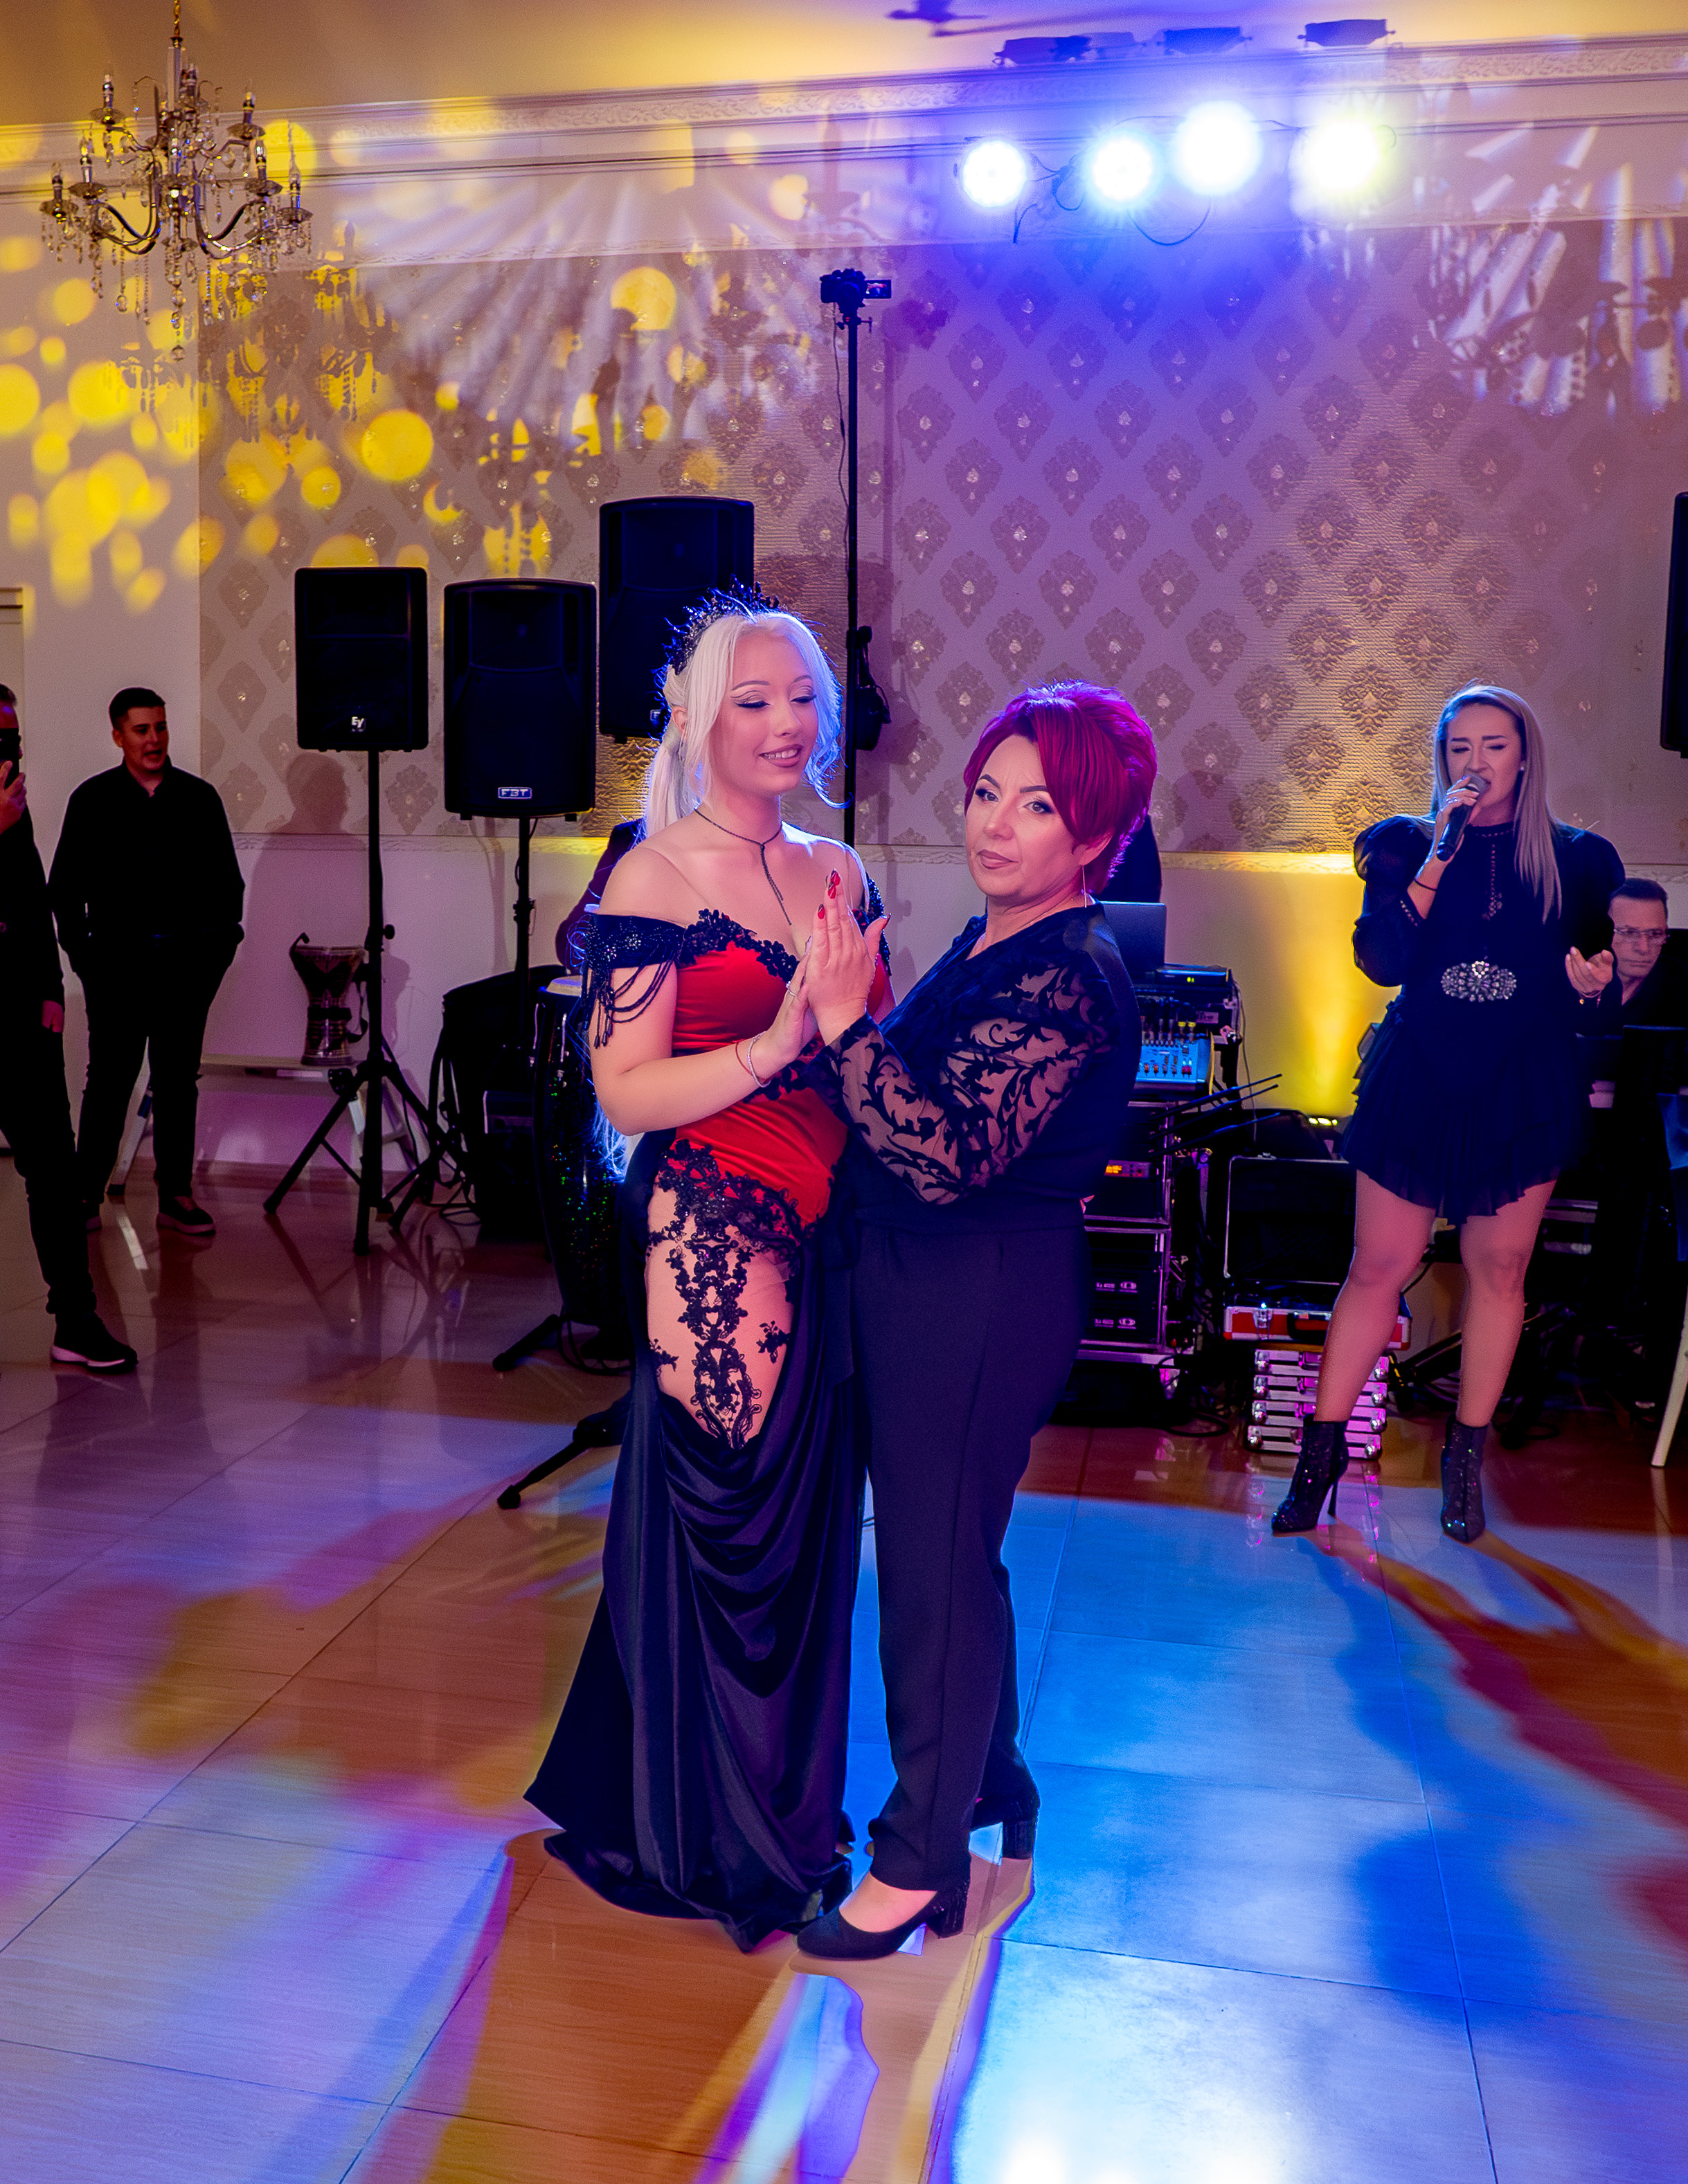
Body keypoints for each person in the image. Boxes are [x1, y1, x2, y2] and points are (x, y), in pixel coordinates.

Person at [526, 590, 890, 1951]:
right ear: (694, 719)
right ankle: (722, 1836)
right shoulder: (653, 877)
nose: (786, 721)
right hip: (716, 1223)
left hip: (834, 1228)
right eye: (754, 700)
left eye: (801, 698)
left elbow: (874, 1056)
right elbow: (624, 1091)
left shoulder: (838, 867)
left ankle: (781, 1811)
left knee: (810, 1535)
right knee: (734, 1526)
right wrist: (777, 1041)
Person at [791, 682, 1153, 1961]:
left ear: (1092, 833)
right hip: (924, 1278)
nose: (996, 824)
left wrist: (845, 1019)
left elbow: (942, 1154)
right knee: (951, 1554)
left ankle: (915, 1862)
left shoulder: (1070, 975)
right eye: (987, 792)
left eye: (1036, 805)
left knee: (933, 1570)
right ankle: (990, 1787)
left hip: (977, 1291)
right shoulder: (1000, 937)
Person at [1275, 683, 1622, 1547]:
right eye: (1458, 747)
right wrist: (1439, 850)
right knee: (1379, 1261)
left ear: (1523, 755)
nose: (1475, 762)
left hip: (1521, 1079)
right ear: (1441, 759)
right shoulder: (1401, 843)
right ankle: (1317, 1458)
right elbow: (1382, 960)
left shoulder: (1579, 859)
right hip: (1420, 1072)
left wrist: (1593, 986)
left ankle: (1462, 1461)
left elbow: (1595, 993)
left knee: (1498, 1267)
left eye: (1493, 745)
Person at [49, 688, 244, 1240]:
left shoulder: (199, 799)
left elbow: (228, 891)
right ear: (118, 735)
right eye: (141, 730)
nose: (154, 739)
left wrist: (211, 963)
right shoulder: (92, 800)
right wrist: (86, 961)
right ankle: (86, 1193)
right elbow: (64, 890)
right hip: (116, 969)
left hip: (185, 969)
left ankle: (175, 1196)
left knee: (178, 1081)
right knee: (109, 1081)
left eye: (160, 727)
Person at [0, 687, 136, 1372]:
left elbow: (33, 899)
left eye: (13, 738)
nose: (11, 752)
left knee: (54, 1171)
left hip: (22, 1016)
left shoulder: (15, 807)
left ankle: (77, 1319)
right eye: (0, 738)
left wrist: (52, 989)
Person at [1594, 878, 1685, 1028]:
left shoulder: (1681, 986)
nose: (1643, 949)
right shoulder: (1567, 977)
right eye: (1629, 933)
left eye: (1655, 934)